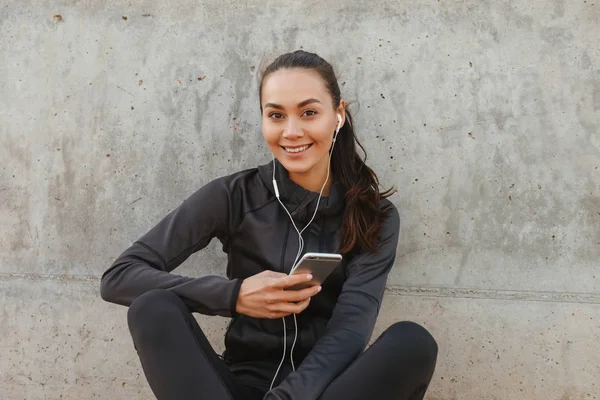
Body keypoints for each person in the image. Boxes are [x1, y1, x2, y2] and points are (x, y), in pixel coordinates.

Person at [100, 50, 438, 400]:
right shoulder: (233, 196)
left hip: (324, 392)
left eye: (309, 112)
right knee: (152, 307)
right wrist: (234, 296)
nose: (291, 131)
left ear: (337, 115)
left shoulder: (374, 216)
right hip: (233, 388)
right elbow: (119, 277)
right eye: (276, 115)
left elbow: (350, 331)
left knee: (412, 343)